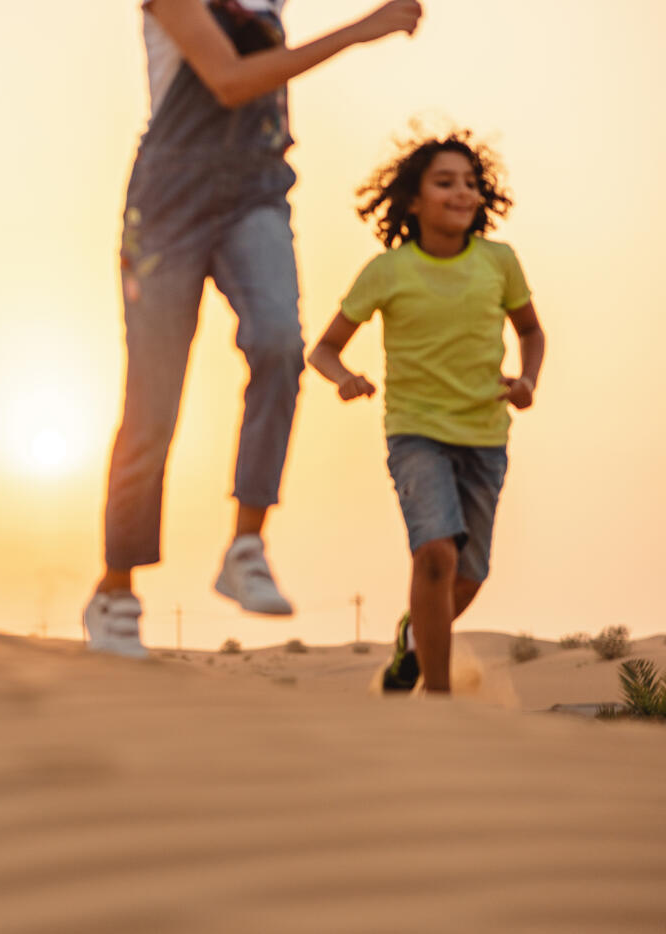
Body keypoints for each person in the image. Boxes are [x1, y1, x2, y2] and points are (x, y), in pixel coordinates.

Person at [84, 0, 424, 656]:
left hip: (255, 194)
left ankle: (245, 545)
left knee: (279, 343)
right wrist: (361, 29)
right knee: (153, 405)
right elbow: (231, 79)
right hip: (166, 206)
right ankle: (116, 589)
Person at [307, 130, 546, 694]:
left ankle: (411, 641)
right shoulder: (387, 271)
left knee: (467, 576)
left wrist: (528, 380)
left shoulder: (499, 262)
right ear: (413, 200)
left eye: (470, 183)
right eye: (444, 182)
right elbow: (323, 348)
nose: (461, 193)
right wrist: (344, 379)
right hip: (415, 434)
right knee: (435, 554)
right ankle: (439, 704)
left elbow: (532, 330)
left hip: (485, 436)